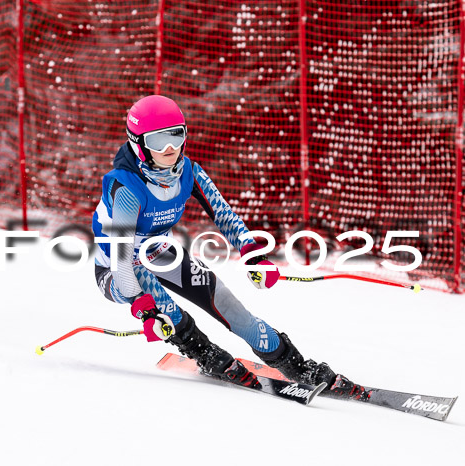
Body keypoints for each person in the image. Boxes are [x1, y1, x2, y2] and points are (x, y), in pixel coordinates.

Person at [91, 94, 365, 398]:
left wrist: (252, 254)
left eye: (176, 136)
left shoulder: (189, 172)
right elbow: (121, 260)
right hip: (116, 272)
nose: (170, 149)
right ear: (138, 142)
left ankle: (296, 365)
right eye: (158, 141)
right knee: (168, 310)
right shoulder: (126, 186)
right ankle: (206, 354)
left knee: (231, 307)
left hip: (158, 253)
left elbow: (224, 215)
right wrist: (144, 309)